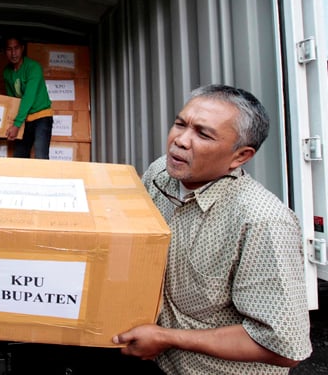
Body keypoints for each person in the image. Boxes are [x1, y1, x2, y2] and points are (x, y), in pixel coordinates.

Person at [113, 84, 312, 374]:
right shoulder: (160, 173)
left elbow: (284, 347)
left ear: (240, 157)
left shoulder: (262, 222)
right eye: (180, 124)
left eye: (203, 134)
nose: (180, 141)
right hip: (155, 361)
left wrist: (167, 338)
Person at [3, 35, 53, 159]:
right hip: (25, 120)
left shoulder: (33, 67)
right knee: (19, 157)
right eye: (9, 49)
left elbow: (29, 97)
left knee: (41, 156)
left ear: (22, 48)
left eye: (16, 48)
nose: (13, 53)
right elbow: (12, 100)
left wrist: (16, 124)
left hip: (41, 116)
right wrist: (11, 123)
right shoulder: (7, 72)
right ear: (5, 51)